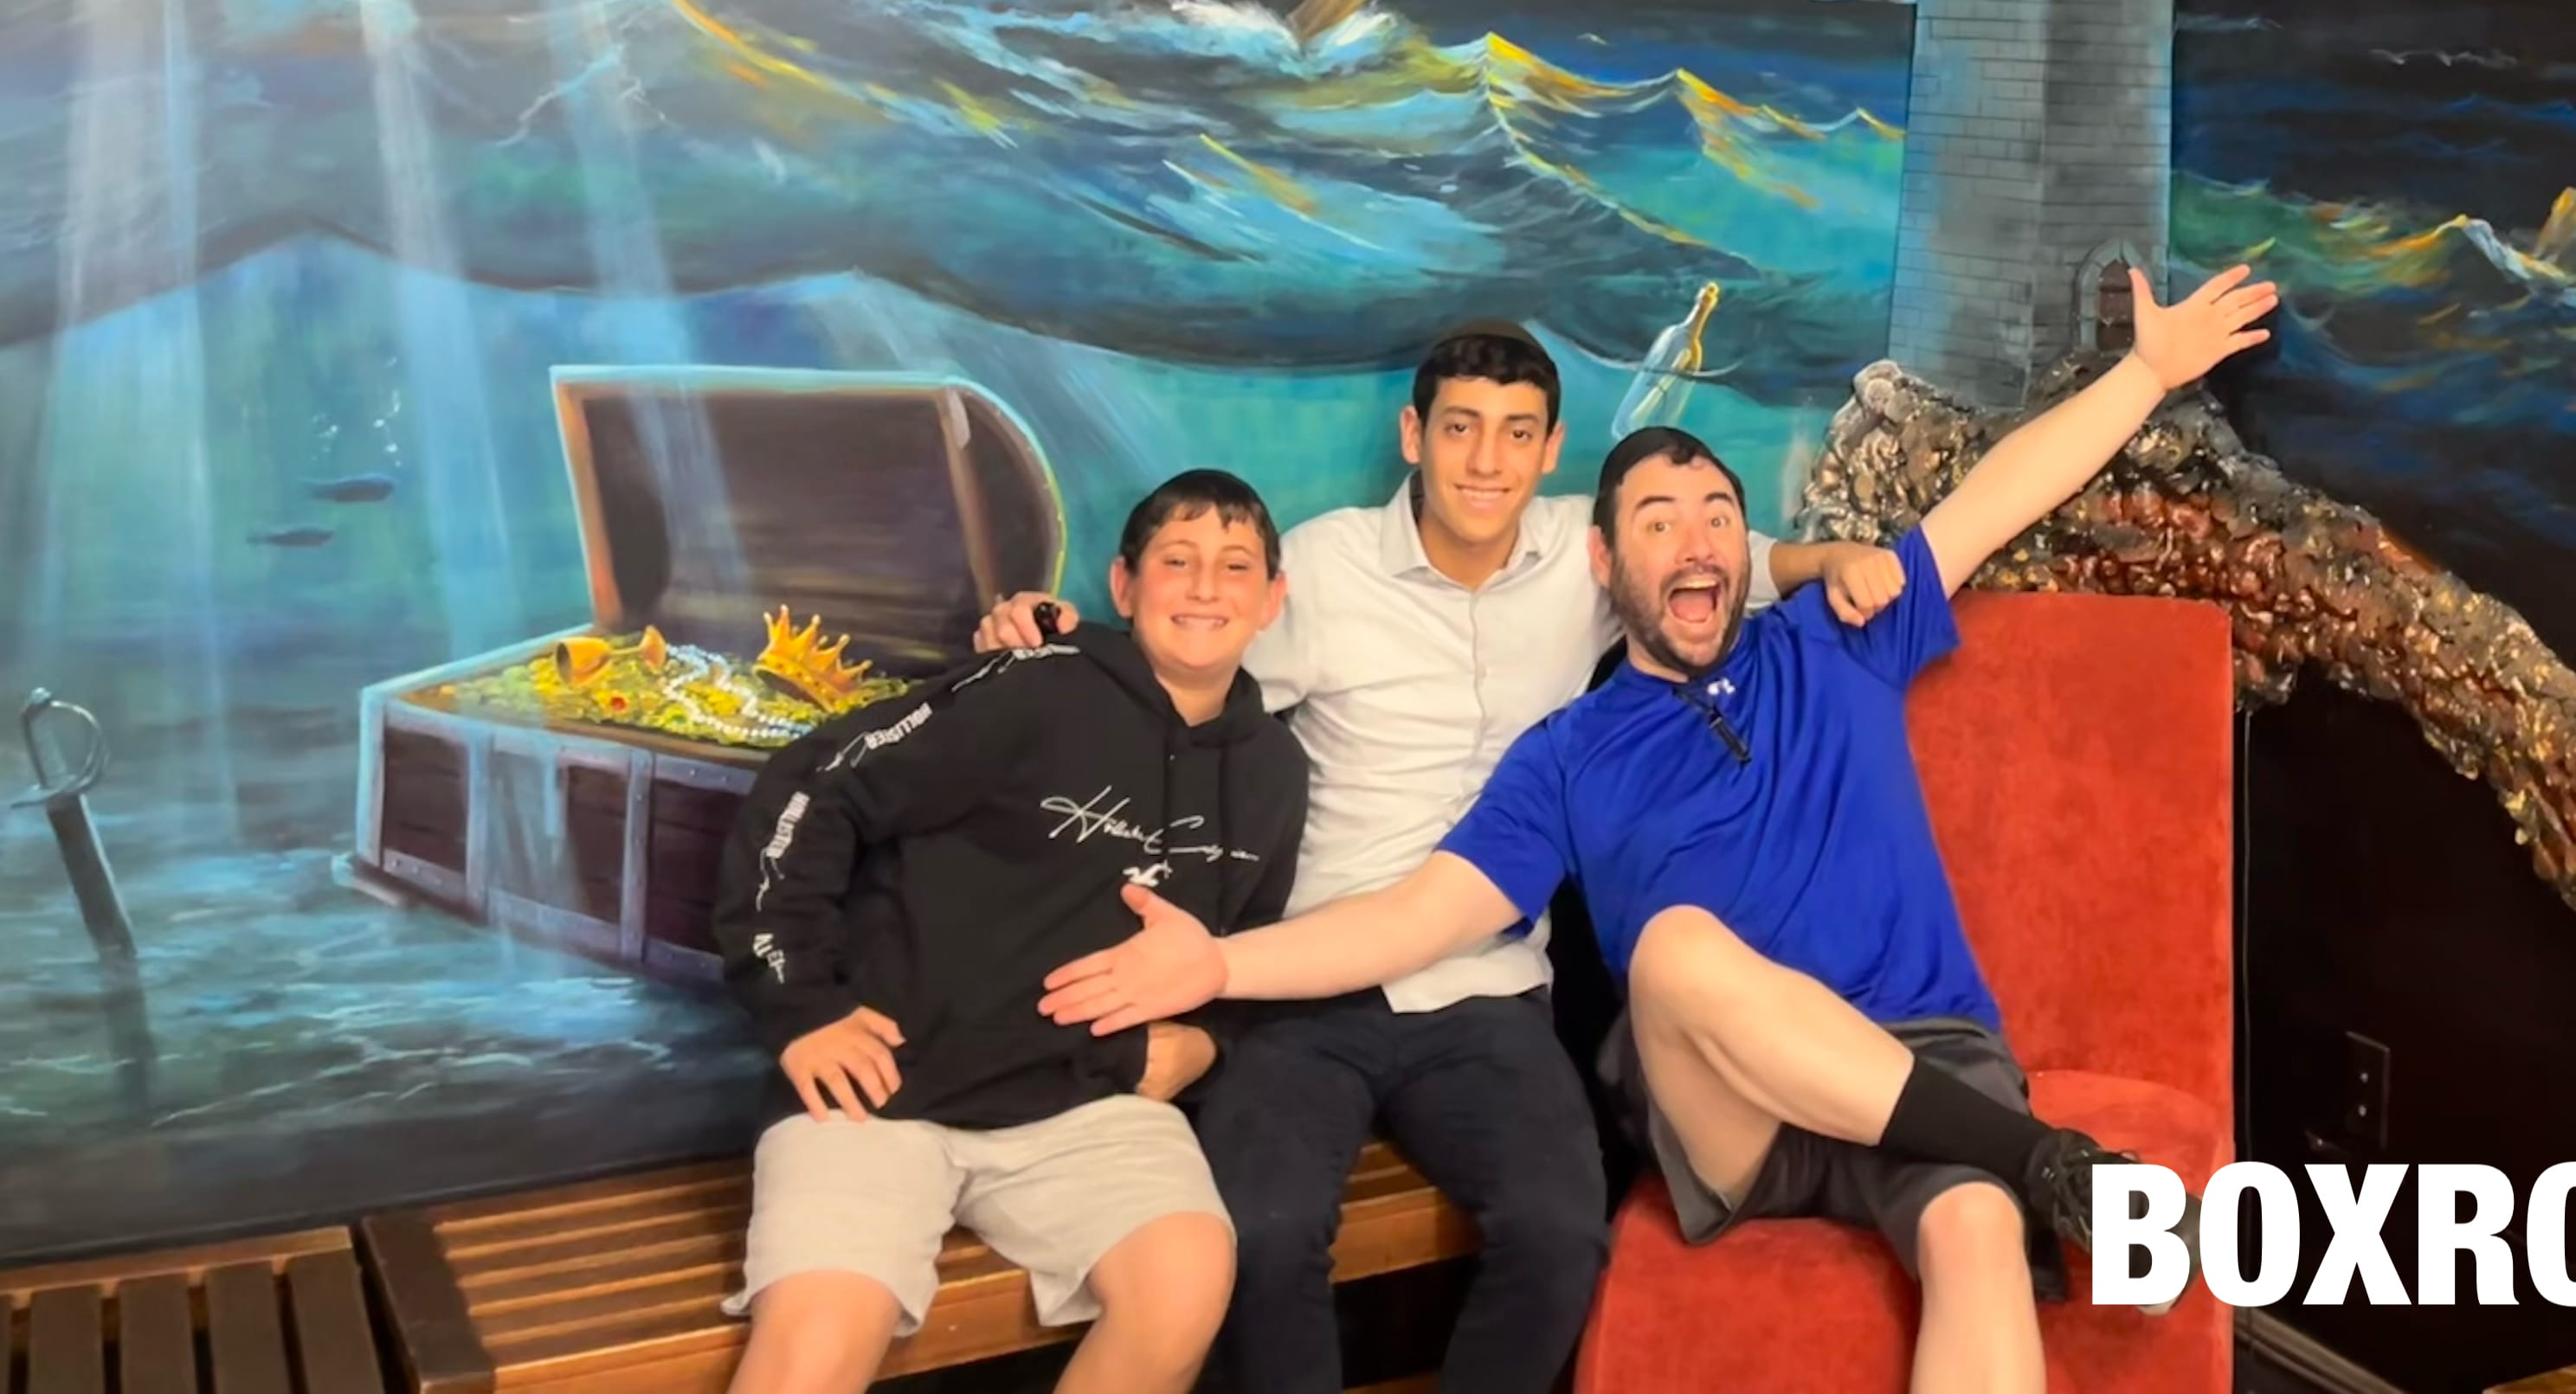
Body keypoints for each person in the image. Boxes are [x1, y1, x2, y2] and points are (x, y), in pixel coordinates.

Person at [1034, 271, 2280, 1394]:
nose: (1695, 541)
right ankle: (2052, 1163)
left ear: (1745, 548)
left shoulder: (1837, 641)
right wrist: (1214, 962)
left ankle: (2032, 1183)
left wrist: (2148, 373)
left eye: (1717, 516)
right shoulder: (1564, 754)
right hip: (1732, 1108)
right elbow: (1416, 914)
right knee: (1676, 947)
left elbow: (1997, 498)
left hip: (1923, 1053)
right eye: (1657, 521)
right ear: (1600, 560)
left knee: (1976, 1232)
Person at [967, 324, 1907, 1394]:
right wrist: (1050, 637)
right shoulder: (1325, 566)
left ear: (1551, 448)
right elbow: (1181, 662)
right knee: (1265, 1235)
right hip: (1303, 985)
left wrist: (1835, 560)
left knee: (1562, 1233)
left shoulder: (1586, 552)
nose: (1487, 461)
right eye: (1461, 428)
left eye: (1517, 433)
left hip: (1486, 992)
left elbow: (1736, 561)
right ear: (1415, 435)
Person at [710, 472, 1309, 1394]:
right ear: (1123, 586)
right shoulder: (1029, 687)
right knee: (816, 1344)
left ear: (1272, 598)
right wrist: (801, 1008)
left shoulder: (1274, 769)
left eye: (1235, 567)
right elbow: (813, 790)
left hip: (1086, 1109)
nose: (1204, 588)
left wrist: (1207, 1043)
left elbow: (1242, 953)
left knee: (1186, 1282)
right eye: (1176, 561)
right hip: (883, 1093)